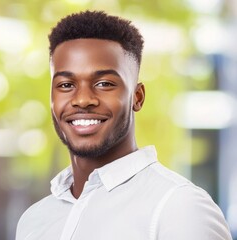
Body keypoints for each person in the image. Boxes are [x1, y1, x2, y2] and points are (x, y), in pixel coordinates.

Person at [15, 10, 232, 240]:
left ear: (137, 97)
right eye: (66, 85)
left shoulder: (179, 207)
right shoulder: (34, 220)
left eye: (104, 83)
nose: (82, 99)